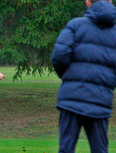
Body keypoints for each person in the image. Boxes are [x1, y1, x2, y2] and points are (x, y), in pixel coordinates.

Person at [51, 0, 116, 152]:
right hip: (100, 100)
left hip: (71, 98)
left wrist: (69, 78)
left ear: (88, 2)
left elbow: (59, 57)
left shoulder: (75, 25)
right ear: (110, 1)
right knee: (100, 149)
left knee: (66, 148)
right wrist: (107, 83)